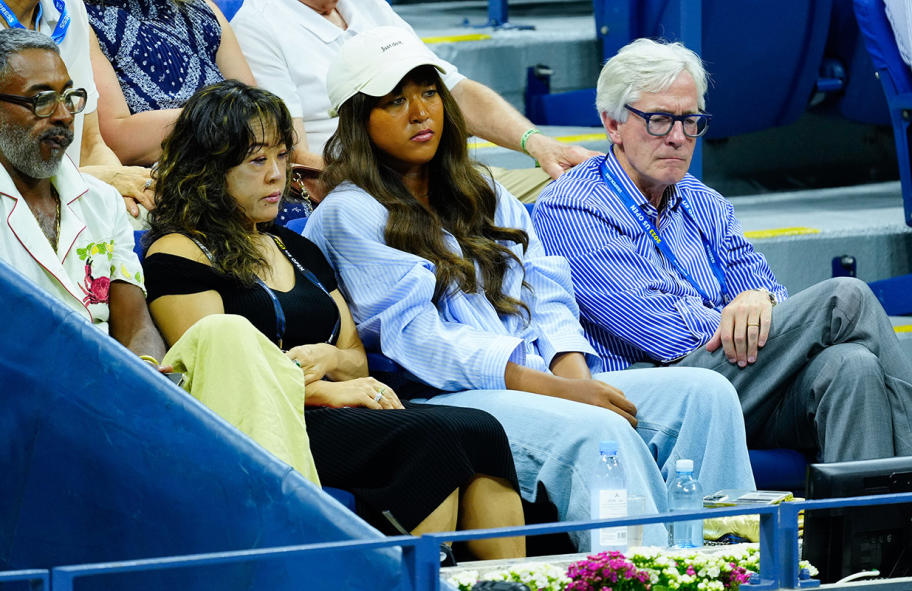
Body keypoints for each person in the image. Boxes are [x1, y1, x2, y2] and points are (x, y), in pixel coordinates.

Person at [304, 26, 756, 552]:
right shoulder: (349, 213)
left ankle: (727, 563)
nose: (420, 112)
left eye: (428, 93)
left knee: (705, 395)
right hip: (451, 398)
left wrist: (572, 372)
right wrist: (563, 393)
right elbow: (422, 341)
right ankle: (646, 578)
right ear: (360, 118)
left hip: (541, 378)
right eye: (394, 101)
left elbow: (548, 288)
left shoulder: (482, 189)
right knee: (601, 434)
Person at [141, 79, 526, 558]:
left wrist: (330, 359)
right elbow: (218, 376)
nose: (277, 175)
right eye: (257, 160)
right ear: (209, 168)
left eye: (282, 156)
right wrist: (327, 388)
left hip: (337, 406)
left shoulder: (295, 246)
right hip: (272, 423)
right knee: (433, 438)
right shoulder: (179, 252)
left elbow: (356, 359)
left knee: (481, 428)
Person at [0, 28, 320, 484]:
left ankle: (285, 531)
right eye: (42, 100)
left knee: (227, 334)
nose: (65, 116)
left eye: (72, 97)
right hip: (23, 399)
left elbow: (134, 324)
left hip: (118, 393)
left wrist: (142, 383)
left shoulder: (100, 201)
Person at [533, 38, 912, 463]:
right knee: (848, 298)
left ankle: (866, 527)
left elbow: (771, 294)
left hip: (739, 380)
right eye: (659, 120)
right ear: (613, 124)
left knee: (851, 365)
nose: (678, 137)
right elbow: (666, 335)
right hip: (654, 393)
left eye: (690, 120)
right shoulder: (574, 204)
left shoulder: (704, 200)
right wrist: (742, 317)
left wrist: (759, 301)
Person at [230, 0, 596, 202]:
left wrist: (537, 144)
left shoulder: (368, 6)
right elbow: (289, 153)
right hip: (369, 191)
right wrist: (388, 180)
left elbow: (454, 91)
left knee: (593, 184)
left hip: (445, 173)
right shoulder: (259, 23)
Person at [0, 0, 154, 217]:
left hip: (73, 202)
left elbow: (90, 146)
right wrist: (101, 180)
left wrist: (125, 193)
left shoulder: (69, 8)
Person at [85, 0, 256, 166]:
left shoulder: (202, 9)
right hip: (166, 177)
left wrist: (232, 117)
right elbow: (115, 140)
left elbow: (254, 107)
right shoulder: (83, 20)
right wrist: (218, 118)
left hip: (239, 161)